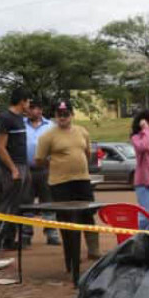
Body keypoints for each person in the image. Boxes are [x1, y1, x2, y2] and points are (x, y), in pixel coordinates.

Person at [34, 101, 101, 260]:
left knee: (88, 215)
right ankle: (71, 255)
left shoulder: (82, 131)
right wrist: (57, 164)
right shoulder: (47, 136)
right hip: (60, 183)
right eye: (59, 114)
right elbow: (39, 160)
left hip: (82, 180)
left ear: (72, 115)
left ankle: (94, 250)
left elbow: (87, 153)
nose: (63, 117)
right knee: (66, 218)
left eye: (66, 114)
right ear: (55, 116)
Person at [0, 87, 33, 252]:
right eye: (28, 101)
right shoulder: (5, 118)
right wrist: (13, 169)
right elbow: (1, 148)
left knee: (18, 205)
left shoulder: (19, 118)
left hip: (23, 165)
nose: (29, 104)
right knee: (8, 205)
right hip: (13, 166)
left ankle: (9, 240)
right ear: (22, 101)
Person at [24, 99, 61, 246]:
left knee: (48, 203)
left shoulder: (51, 126)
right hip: (27, 170)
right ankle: (26, 234)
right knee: (26, 203)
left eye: (38, 108)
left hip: (47, 169)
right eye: (32, 108)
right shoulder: (21, 125)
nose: (35, 111)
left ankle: (51, 233)